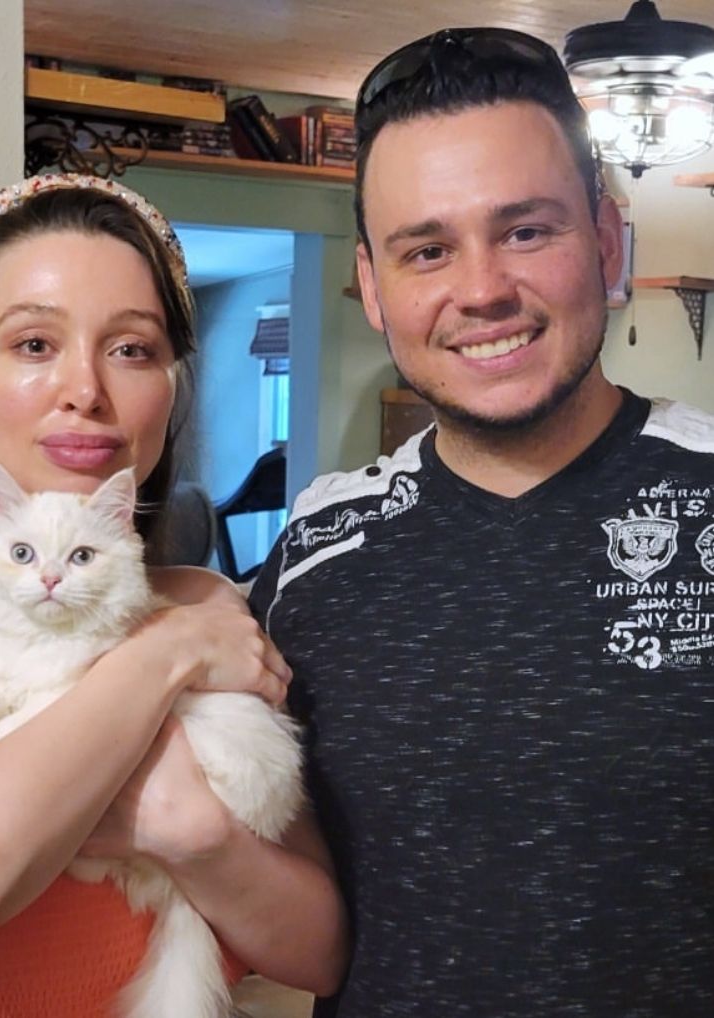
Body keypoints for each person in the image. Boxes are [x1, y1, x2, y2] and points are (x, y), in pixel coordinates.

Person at [250, 27, 714, 1018]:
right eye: (427, 250)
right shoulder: (313, 556)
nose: (482, 291)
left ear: (608, 240)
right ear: (375, 288)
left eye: (527, 231)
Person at [0, 172, 348, 1015]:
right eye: (34, 344)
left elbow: (320, 951)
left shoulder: (207, 597)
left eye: (131, 349)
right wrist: (165, 654)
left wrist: (194, 834)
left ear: (171, 383)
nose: (86, 391)